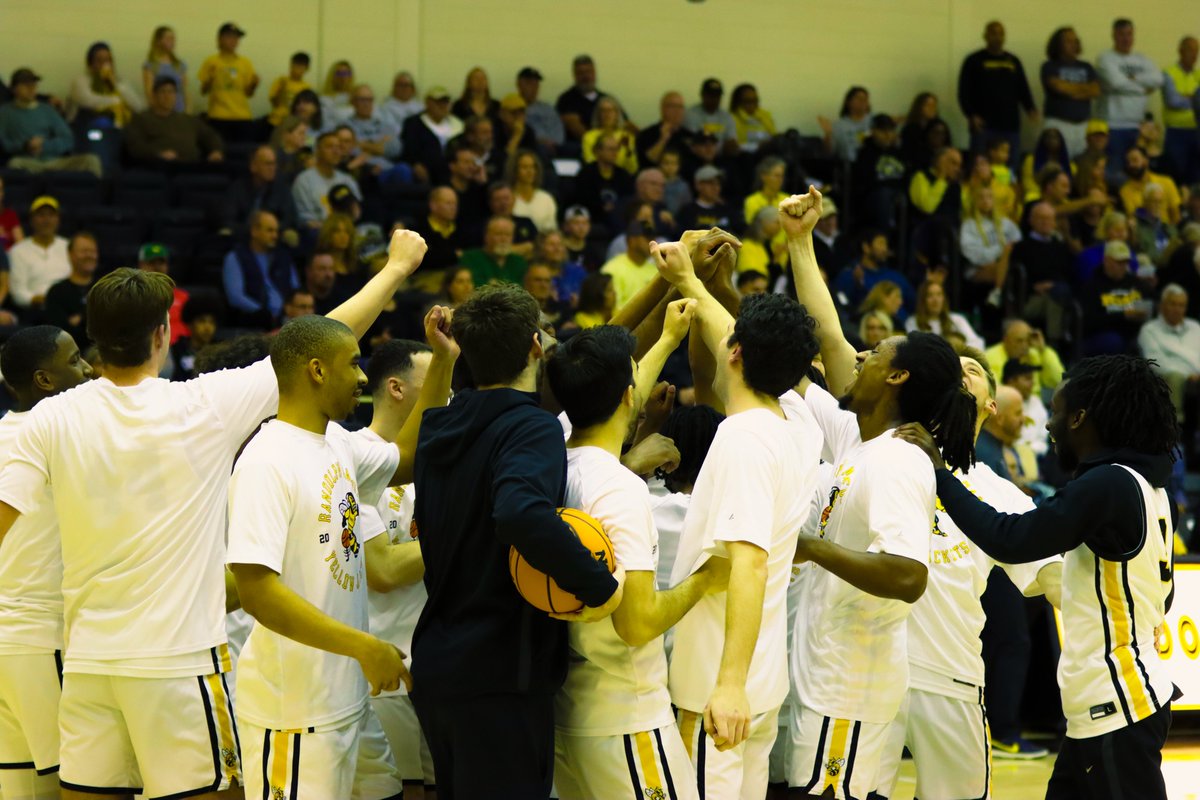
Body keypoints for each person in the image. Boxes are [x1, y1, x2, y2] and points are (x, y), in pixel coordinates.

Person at [0, 229, 432, 799]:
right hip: (178, 664)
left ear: (94, 338)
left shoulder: (45, 419)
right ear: (163, 333)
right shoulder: (202, 405)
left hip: (87, 665)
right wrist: (396, 267)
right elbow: (326, 334)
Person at [899, 353, 1179, 799]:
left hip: (1117, 700)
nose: (1048, 425)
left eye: (1056, 413)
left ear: (1080, 418)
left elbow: (1011, 539)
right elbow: (1157, 597)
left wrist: (940, 475)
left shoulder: (1107, 485)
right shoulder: (1153, 489)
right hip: (1108, 703)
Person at [780, 187, 979, 800]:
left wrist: (809, 547)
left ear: (895, 376)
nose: (858, 356)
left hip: (851, 693)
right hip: (828, 685)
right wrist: (800, 242)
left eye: (873, 354)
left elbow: (907, 575)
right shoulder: (856, 436)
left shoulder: (895, 460)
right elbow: (825, 336)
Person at [229, 308, 456, 800]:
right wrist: (363, 646)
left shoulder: (337, 442)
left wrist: (443, 360)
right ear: (316, 370)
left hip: (350, 696)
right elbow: (257, 594)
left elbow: (409, 457)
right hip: (296, 711)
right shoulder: (266, 462)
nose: (362, 377)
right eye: (353, 363)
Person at [409, 284, 623, 798]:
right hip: (500, 673)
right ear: (534, 346)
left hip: (439, 662)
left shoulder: (437, 427)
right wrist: (600, 586)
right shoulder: (531, 426)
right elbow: (519, 512)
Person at [643, 234, 822, 800]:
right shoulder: (798, 420)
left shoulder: (743, 437)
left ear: (736, 353)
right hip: (761, 677)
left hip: (719, 685)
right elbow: (736, 334)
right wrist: (688, 282)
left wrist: (728, 684)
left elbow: (749, 564)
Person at [549, 312, 731, 800]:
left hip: (569, 710)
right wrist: (705, 579)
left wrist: (669, 336)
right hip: (626, 714)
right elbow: (637, 622)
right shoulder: (620, 488)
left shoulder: (551, 460)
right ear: (629, 396)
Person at [873, 350, 1063, 800]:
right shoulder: (881, 453)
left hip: (950, 674)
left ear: (990, 405)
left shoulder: (999, 491)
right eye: (950, 367)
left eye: (973, 370)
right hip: (871, 666)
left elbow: (1052, 576)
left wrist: (1117, 612)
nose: (960, 372)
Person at [0, 326, 93, 800]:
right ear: (44, 379)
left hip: (8, 642)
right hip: (41, 637)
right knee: (76, 787)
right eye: (75, 360)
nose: (89, 369)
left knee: (18, 789)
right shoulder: (61, 438)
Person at [350, 340, 437, 798]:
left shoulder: (437, 459)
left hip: (435, 665)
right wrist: (467, 531)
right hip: (386, 669)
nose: (445, 393)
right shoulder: (353, 456)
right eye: (434, 381)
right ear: (396, 388)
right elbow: (382, 571)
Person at [958, 21, 1038, 164]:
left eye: (1001, 34)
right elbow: (963, 92)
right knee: (981, 165)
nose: (997, 37)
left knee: (1011, 166)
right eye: (993, 33)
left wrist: (1030, 108)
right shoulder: (973, 60)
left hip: (1010, 125)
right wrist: (971, 115)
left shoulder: (1013, 61)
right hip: (983, 126)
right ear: (985, 36)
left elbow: (1023, 88)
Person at [0, 68, 102, 177]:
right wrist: (25, 146)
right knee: (15, 164)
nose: (31, 88)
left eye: (33, 84)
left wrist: (45, 145)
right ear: (14, 89)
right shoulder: (5, 112)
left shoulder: (47, 109)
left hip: (55, 161)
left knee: (91, 160)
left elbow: (68, 139)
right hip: (28, 162)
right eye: (25, 85)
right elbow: (5, 143)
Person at [1097, 19, 1164, 169]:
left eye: (1129, 34)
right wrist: (1143, 89)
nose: (1126, 39)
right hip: (1113, 126)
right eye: (1121, 34)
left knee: (1137, 170)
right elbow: (1116, 83)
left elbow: (1158, 80)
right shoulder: (1105, 58)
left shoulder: (1142, 59)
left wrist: (1132, 79)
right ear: (1113, 35)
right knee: (1115, 170)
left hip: (1139, 127)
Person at [1010, 201, 1075, 342]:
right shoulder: (1022, 247)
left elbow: (1069, 274)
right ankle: (1056, 341)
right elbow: (1014, 279)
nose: (1046, 222)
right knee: (1057, 298)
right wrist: (1034, 287)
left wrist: (1053, 286)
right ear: (1031, 220)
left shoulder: (1061, 247)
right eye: (1041, 218)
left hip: (1058, 293)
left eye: (1050, 218)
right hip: (1031, 298)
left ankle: (1054, 342)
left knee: (1057, 295)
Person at [222, 210, 299, 328]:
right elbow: (235, 297)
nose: (275, 236)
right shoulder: (235, 257)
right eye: (270, 231)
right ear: (254, 231)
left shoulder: (284, 257)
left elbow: (296, 290)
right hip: (251, 322)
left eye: (276, 231)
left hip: (285, 321)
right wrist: (262, 313)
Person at [126, 76, 224, 164]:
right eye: (163, 92)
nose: (167, 96)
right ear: (154, 96)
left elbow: (210, 135)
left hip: (192, 166)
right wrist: (158, 154)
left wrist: (216, 151)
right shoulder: (142, 119)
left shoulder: (188, 119)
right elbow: (135, 146)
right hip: (159, 166)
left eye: (171, 92)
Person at [1139, 283, 1200, 425]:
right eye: (1173, 304)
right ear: (1162, 306)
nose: (1177, 309)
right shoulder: (1149, 330)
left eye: (1181, 305)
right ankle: (1175, 429)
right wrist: (1188, 374)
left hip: (1196, 374)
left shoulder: (1195, 327)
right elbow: (1156, 361)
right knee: (1175, 377)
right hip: (1171, 376)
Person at [1081, 240, 1153, 354]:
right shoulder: (1092, 285)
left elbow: (1149, 304)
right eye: (1119, 262)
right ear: (1106, 261)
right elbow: (1090, 321)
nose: (1123, 266)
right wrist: (1123, 315)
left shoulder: (1136, 283)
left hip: (1133, 331)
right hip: (1104, 334)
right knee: (1114, 342)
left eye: (1125, 262)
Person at [1041, 27, 1103, 160]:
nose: (1073, 44)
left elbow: (1096, 90)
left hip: (1083, 125)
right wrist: (1084, 90)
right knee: (1058, 162)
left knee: (1083, 163)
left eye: (1075, 41)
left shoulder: (1086, 66)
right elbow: (1058, 87)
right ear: (1058, 44)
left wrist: (1071, 90)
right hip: (1058, 124)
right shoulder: (1050, 66)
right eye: (1068, 41)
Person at [961, 184, 1022, 309]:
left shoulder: (1006, 223)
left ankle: (997, 292)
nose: (986, 200)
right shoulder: (968, 226)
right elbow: (973, 255)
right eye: (981, 197)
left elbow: (1019, 244)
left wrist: (1004, 255)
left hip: (1005, 264)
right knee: (1006, 253)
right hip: (978, 269)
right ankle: (998, 292)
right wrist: (1001, 250)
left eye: (989, 197)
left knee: (1009, 259)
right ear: (974, 201)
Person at [832, 229, 915, 319]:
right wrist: (858, 287)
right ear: (866, 247)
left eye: (885, 244)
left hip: (900, 325)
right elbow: (842, 308)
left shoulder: (895, 276)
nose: (885, 249)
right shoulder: (849, 275)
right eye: (880, 243)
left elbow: (913, 303)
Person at [197, 22, 258, 143]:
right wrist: (209, 81)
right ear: (220, 39)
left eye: (236, 38)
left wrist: (254, 85)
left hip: (242, 116)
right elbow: (203, 91)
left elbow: (248, 94)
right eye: (229, 36)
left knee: (243, 151)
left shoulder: (245, 62)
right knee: (219, 150)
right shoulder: (211, 61)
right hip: (218, 116)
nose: (234, 41)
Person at [7, 196, 69, 313]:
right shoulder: (18, 251)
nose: (46, 220)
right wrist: (37, 299)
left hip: (68, 309)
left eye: (51, 215)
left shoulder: (69, 247)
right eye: (41, 215)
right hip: (34, 312)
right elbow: (18, 292)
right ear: (32, 220)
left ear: (58, 220)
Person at [293, 130, 364, 228]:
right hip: (318, 232)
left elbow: (357, 213)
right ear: (317, 151)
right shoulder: (304, 181)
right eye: (329, 147)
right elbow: (305, 218)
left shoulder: (347, 180)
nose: (335, 151)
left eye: (338, 147)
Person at [223, 144, 298, 236]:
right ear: (253, 166)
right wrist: (253, 231)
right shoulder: (238, 188)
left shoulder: (281, 188)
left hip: (273, 236)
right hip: (242, 235)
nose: (273, 168)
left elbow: (289, 219)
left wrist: (268, 229)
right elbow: (227, 219)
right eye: (268, 164)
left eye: (274, 164)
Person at [69, 42, 144, 129]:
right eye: (99, 61)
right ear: (91, 65)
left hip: (119, 126)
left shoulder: (120, 82)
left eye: (108, 60)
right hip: (87, 126)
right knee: (104, 122)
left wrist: (114, 84)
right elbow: (88, 100)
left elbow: (138, 107)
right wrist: (115, 101)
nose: (105, 65)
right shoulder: (80, 81)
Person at [44, 231, 99, 347]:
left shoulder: (104, 288)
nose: (89, 255)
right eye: (84, 251)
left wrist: (81, 318)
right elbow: (60, 335)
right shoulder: (57, 292)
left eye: (93, 251)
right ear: (70, 254)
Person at [852, 113, 907, 229]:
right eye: (883, 130)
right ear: (873, 131)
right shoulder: (865, 153)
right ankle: (884, 234)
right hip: (873, 197)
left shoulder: (899, 152)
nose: (887, 134)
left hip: (897, 193)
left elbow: (906, 177)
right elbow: (866, 182)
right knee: (884, 195)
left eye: (890, 130)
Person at [985, 318, 1065, 397]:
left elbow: (1058, 381)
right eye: (1019, 341)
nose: (1024, 346)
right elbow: (993, 394)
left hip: (1034, 402)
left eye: (1027, 341)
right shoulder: (990, 357)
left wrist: (1043, 350)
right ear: (1006, 340)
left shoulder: (1035, 354)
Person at [574, 132, 635, 230]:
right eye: (611, 149)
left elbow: (628, 198)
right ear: (598, 151)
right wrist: (601, 207)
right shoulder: (586, 173)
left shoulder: (623, 175)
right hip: (593, 219)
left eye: (617, 149)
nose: (615, 153)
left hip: (618, 219)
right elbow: (582, 199)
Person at [905, 279, 986, 348]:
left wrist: (959, 350)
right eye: (930, 295)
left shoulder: (957, 319)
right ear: (922, 300)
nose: (935, 300)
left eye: (939, 294)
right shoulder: (912, 322)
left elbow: (977, 343)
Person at [1163, 36, 1200, 183]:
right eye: (1190, 50)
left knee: (1196, 176)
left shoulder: (1198, 75)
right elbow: (1172, 101)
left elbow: (1180, 100)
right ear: (1180, 50)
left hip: (1196, 132)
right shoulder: (1169, 73)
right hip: (1176, 132)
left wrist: (1186, 97)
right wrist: (1195, 99)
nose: (1194, 55)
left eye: (1197, 51)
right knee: (1175, 174)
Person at [138, 242, 189, 344]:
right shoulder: (135, 296)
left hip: (181, 347)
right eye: (152, 263)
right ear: (141, 265)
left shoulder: (183, 297)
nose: (157, 267)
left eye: (161, 263)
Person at [1120, 146, 1183, 225]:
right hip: (1143, 228)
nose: (1131, 165)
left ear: (1146, 161)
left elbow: (1175, 215)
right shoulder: (1125, 190)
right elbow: (1133, 214)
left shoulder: (1167, 182)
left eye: (1135, 160)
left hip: (1168, 227)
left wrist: (1170, 230)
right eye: (1128, 162)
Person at [601, 221, 656, 309]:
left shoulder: (656, 270)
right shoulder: (611, 270)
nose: (653, 242)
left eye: (653, 238)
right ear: (631, 241)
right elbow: (611, 310)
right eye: (647, 238)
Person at [556, 54, 609, 145]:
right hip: (579, 145)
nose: (585, 76)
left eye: (588, 71)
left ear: (594, 73)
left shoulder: (606, 99)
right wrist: (596, 144)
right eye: (580, 73)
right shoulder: (566, 99)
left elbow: (624, 123)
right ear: (574, 75)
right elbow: (574, 127)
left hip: (609, 145)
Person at [461, 216, 528, 287]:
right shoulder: (471, 258)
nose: (503, 239)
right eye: (498, 234)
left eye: (508, 235)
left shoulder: (519, 262)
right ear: (486, 236)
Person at [1004, 358, 1051, 457]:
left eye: (1032, 378)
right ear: (1011, 381)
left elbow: (1043, 441)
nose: (1032, 382)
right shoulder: (998, 404)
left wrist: (1029, 449)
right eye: (1027, 378)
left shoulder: (1035, 402)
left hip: (1036, 458)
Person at [582, 96, 638, 174]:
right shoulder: (589, 136)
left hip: (622, 176)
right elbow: (590, 162)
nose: (607, 114)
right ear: (598, 115)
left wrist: (628, 150)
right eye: (603, 111)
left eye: (610, 110)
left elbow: (633, 169)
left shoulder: (626, 136)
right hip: (596, 176)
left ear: (617, 114)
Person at [637, 91, 692, 168]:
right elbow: (647, 162)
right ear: (662, 108)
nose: (677, 111)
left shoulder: (690, 135)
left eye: (681, 107)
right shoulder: (646, 134)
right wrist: (663, 139)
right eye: (673, 106)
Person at [684, 78, 738, 156]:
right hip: (697, 156)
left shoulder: (727, 117)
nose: (714, 99)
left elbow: (731, 140)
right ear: (702, 95)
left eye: (717, 96)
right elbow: (693, 142)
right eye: (711, 96)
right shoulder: (690, 114)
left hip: (721, 156)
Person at [509, 149, 558, 233]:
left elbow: (551, 230)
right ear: (514, 170)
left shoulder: (546, 199)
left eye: (532, 167)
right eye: (524, 167)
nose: (530, 171)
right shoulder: (508, 198)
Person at [142, 25, 188, 112]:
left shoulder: (179, 65)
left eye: (173, 39)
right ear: (158, 41)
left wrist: (188, 110)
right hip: (161, 112)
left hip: (179, 110)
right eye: (168, 39)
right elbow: (149, 92)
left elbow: (185, 91)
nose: (172, 42)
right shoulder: (151, 65)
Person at [677, 165, 735, 233]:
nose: (716, 188)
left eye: (718, 183)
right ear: (698, 185)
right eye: (711, 183)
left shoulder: (726, 210)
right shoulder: (687, 212)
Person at [266, 51, 312, 127]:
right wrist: (281, 91)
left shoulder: (307, 87)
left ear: (307, 69)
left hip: (294, 124)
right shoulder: (281, 81)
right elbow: (273, 101)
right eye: (294, 66)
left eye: (301, 67)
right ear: (290, 65)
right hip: (276, 121)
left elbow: (306, 110)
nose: (296, 70)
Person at [729, 83, 776, 153]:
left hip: (769, 152)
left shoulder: (765, 115)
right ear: (738, 102)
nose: (753, 105)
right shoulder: (731, 119)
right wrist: (757, 146)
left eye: (755, 101)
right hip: (746, 155)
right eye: (748, 101)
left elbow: (774, 135)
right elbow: (733, 147)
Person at [743, 156, 788, 227]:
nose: (780, 180)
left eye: (782, 176)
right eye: (776, 176)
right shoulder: (751, 201)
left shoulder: (787, 199)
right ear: (764, 176)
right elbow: (753, 229)